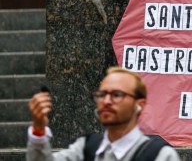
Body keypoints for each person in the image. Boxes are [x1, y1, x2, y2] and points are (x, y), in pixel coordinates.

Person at [27, 67, 180, 161]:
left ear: (139, 105)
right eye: (102, 94)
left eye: (117, 94)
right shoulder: (85, 149)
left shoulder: (160, 156)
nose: (106, 101)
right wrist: (39, 129)